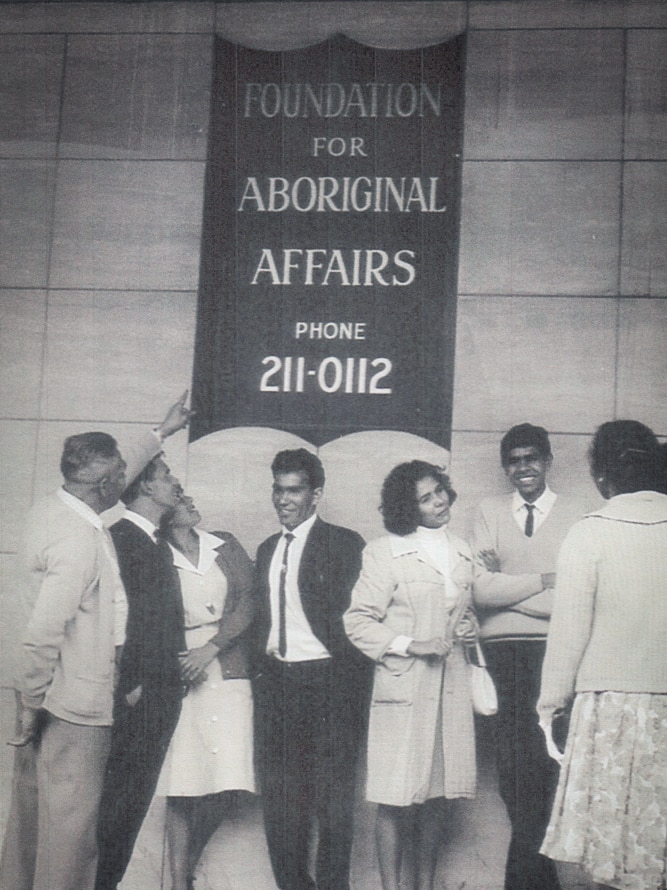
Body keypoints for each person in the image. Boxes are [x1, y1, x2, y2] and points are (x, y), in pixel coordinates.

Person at [0, 393, 193, 890]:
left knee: (32, 829)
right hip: (74, 709)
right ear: (107, 486)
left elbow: (111, 471)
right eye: (119, 477)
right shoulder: (79, 540)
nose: (124, 482)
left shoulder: (57, 506)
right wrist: (30, 705)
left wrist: (162, 430)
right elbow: (44, 634)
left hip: (56, 700)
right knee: (71, 839)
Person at [537, 420, 667, 890]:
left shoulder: (588, 532)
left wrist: (549, 705)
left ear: (601, 475)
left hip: (608, 708)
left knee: (602, 844)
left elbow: (569, 633)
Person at [344, 460, 478, 890]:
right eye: (426, 498)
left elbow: (462, 612)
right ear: (407, 508)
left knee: (438, 796)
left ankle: (424, 885)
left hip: (450, 687)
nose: (439, 501)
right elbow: (358, 621)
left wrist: (470, 628)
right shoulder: (384, 552)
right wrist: (409, 644)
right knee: (396, 797)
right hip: (405, 688)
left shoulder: (462, 550)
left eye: (440, 491)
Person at [471, 422, 587, 890]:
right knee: (513, 777)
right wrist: (543, 579)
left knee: (547, 771)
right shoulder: (488, 510)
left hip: (555, 656)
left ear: (547, 460)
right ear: (506, 467)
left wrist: (508, 587)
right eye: (515, 461)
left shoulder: (578, 512)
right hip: (501, 661)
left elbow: (576, 598)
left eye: (531, 458)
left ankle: (524, 882)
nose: (524, 468)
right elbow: (477, 589)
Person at [252, 448, 372, 890]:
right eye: (277, 489)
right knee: (282, 804)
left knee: (333, 804)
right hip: (276, 686)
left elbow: (358, 625)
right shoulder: (266, 549)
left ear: (315, 494)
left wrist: (349, 689)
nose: (283, 499)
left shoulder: (344, 543)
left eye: (294, 490)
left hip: (328, 685)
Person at [155, 493, 256, 890]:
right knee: (183, 785)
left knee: (229, 782)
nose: (188, 498)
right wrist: (179, 661)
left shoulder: (225, 543)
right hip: (182, 676)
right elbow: (151, 617)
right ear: (164, 514)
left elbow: (249, 602)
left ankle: (187, 866)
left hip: (229, 671)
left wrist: (210, 648)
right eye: (178, 497)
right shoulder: (156, 554)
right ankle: (180, 884)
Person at [94, 453, 185, 890]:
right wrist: (131, 685)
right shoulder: (122, 538)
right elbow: (116, 616)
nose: (174, 482)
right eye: (166, 475)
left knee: (130, 807)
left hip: (159, 697)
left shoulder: (152, 540)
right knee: (118, 806)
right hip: (139, 699)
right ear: (146, 486)